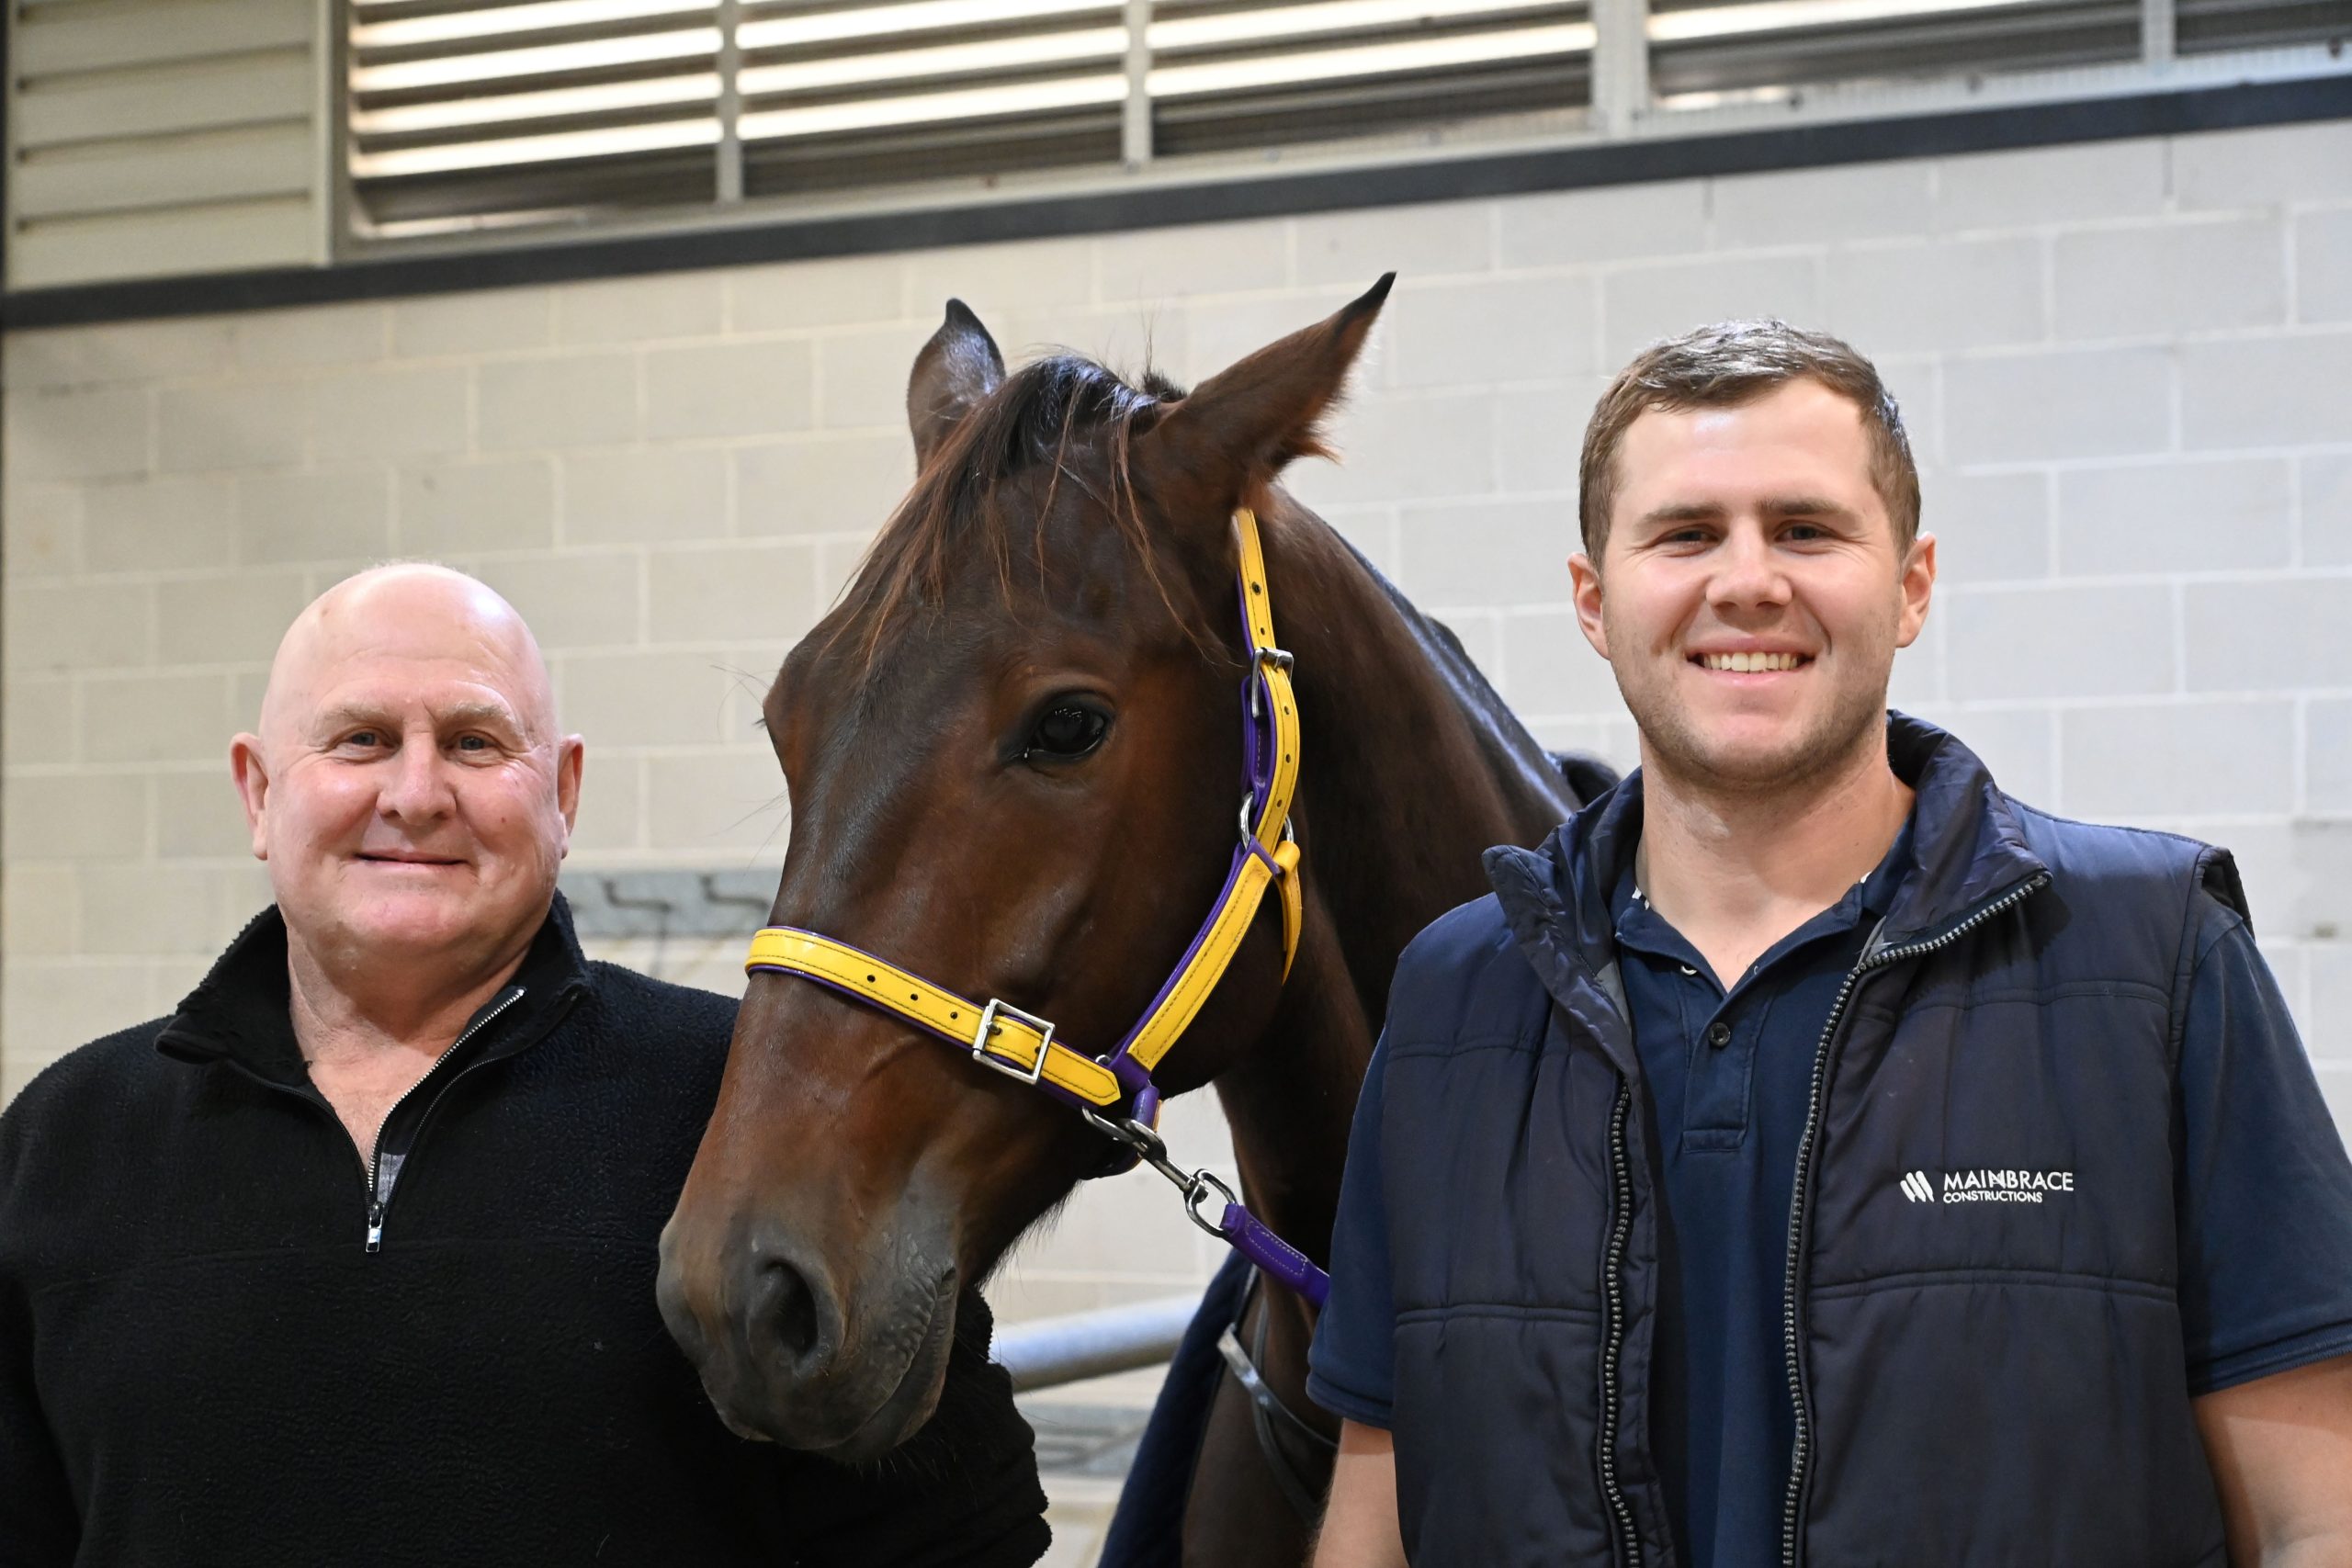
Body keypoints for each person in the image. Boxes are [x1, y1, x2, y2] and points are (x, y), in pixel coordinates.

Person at [1305, 323, 2352, 1566]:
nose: (1748, 580)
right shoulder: (1455, 996)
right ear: (1595, 599)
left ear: (1910, 584)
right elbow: (1376, 1518)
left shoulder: (2153, 948)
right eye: (1687, 532)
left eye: (1805, 528)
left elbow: (2315, 1513)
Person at [0, 564, 1051, 1567]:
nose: (416, 794)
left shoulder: (752, 1105)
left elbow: (959, 1540)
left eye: (472, 742)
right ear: (258, 792)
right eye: (361, 740)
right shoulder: (65, 1140)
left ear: (564, 794)